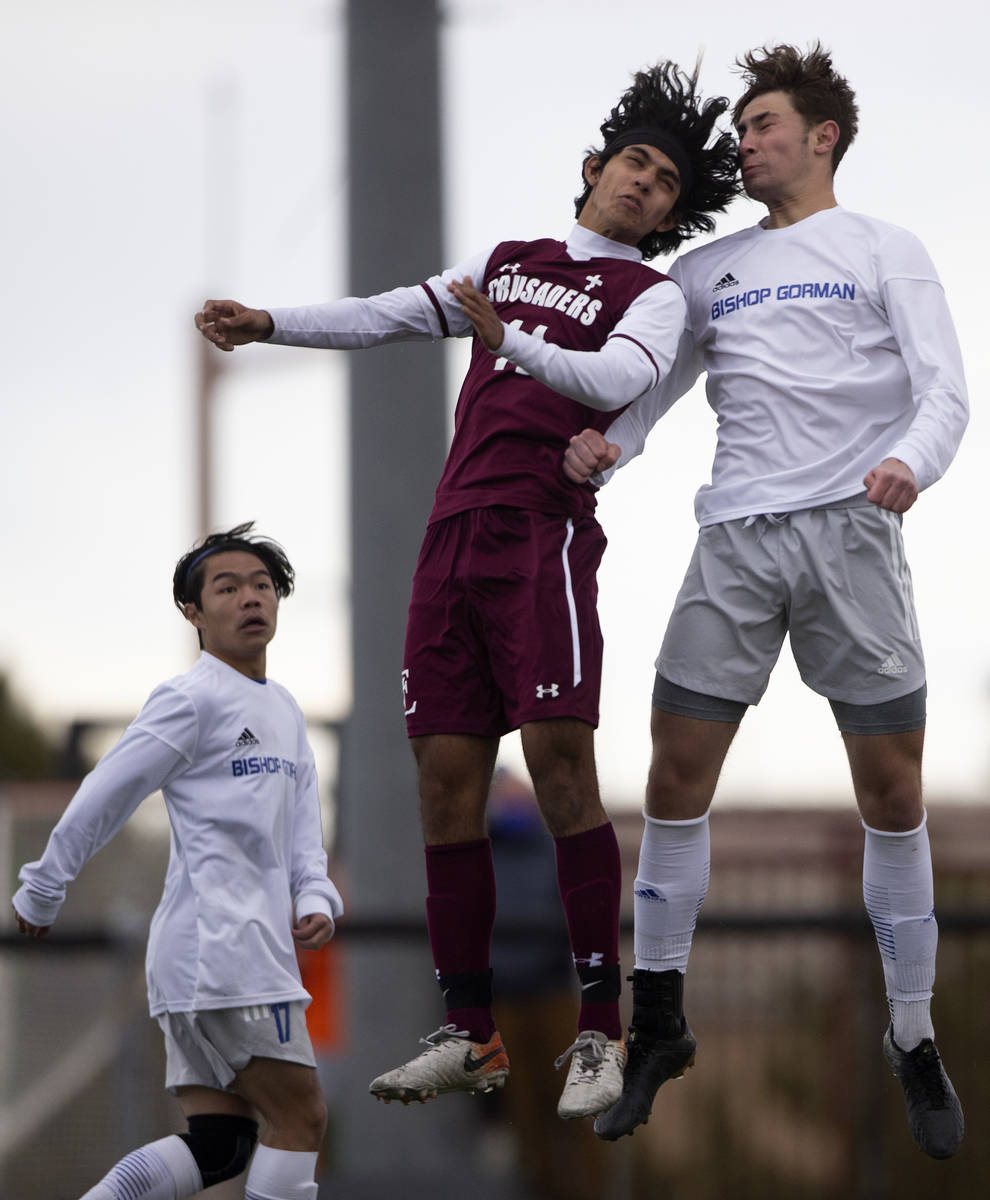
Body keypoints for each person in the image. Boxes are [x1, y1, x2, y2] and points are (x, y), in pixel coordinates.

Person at [194, 62, 738, 1119]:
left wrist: (511, 342)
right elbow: (389, 313)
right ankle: (470, 1029)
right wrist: (271, 322)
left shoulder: (652, 296)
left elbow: (622, 380)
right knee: (445, 783)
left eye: (666, 182)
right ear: (593, 166)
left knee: (559, 764)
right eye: (635, 163)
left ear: (671, 211)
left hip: (541, 537)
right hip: (450, 540)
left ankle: (599, 1032)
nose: (645, 185)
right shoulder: (508, 259)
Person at [563, 43, 968, 1158]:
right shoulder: (709, 273)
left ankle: (912, 1033)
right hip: (735, 539)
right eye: (740, 131)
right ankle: (657, 1023)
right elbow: (653, 396)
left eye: (763, 126)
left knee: (892, 790)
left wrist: (912, 465)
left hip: (852, 533)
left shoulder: (889, 247)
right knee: (671, 779)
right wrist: (607, 447)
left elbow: (946, 389)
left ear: (823, 136)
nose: (744, 145)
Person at [11, 522, 344, 1200]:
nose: (250, 597)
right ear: (193, 613)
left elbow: (303, 834)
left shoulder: (283, 710)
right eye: (227, 587)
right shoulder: (191, 698)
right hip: (224, 956)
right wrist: (43, 887)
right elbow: (107, 792)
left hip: (231, 960)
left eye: (262, 585)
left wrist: (315, 897)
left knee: (221, 1148)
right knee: (301, 1114)